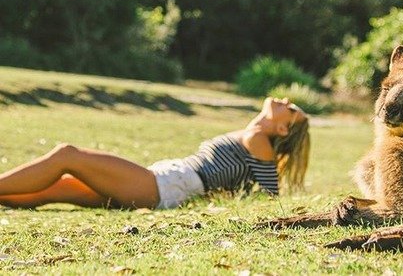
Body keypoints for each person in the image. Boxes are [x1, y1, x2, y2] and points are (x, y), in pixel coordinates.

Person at [0, 97, 309, 210]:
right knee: (55, 190)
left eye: (291, 110)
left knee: (67, 155)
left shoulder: (258, 139)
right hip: (164, 182)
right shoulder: (254, 138)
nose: (285, 101)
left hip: (163, 185)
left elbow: (270, 197)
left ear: (282, 130)